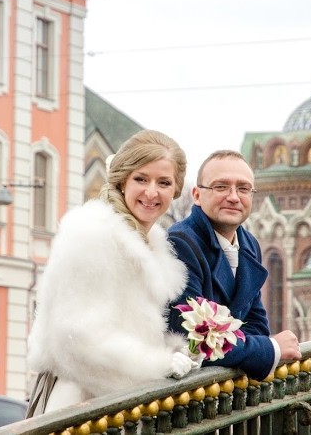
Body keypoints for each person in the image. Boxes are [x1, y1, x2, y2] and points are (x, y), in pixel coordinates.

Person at [26, 130, 197, 415]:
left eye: (164, 182)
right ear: (122, 181)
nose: (151, 192)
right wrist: (158, 366)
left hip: (124, 405)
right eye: (141, 179)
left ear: (175, 190)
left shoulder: (152, 243)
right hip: (81, 404)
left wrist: (179, 353)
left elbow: (133, 330)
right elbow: (76, 341)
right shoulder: (91, 234)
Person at [167, 150, 302, 381]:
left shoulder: (249, 244)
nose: (233, 197)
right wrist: (272, 349)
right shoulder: (181, 244)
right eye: (221, 187)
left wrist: (248, 347)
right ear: (197, 195)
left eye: (243, 188)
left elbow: (256, 325)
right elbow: (193, 339)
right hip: (188, 391)